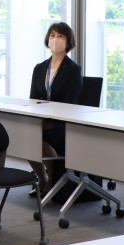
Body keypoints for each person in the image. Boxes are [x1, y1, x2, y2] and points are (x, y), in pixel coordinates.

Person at [28, 22, 82, 193]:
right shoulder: (40, 68)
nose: (55, 39)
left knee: (38, 136)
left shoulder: (73, 69)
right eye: (52, 35)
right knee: (25, 134)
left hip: (63, 121)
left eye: (60, 36)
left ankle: (53, 181)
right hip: (44, 118)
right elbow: (33, 100)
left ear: (68, 42)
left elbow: (70, 103)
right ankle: (43, 177)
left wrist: (49, 119)